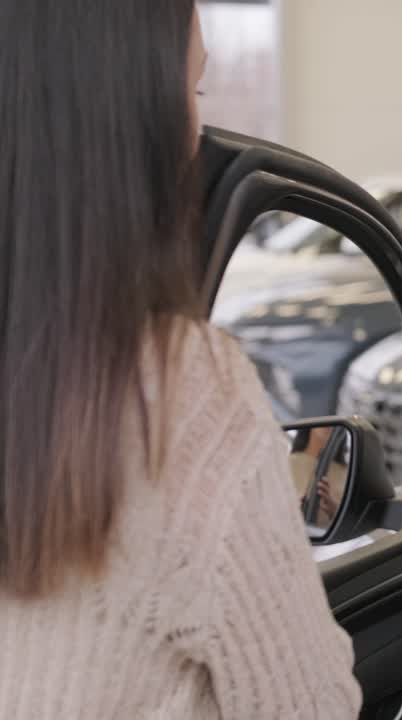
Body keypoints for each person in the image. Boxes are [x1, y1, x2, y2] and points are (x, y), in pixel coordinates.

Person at [0, 2, 361, 716]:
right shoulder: (179, 394)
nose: (199, 136)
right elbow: (311, 705)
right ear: (123, 127)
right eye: (189, 94)